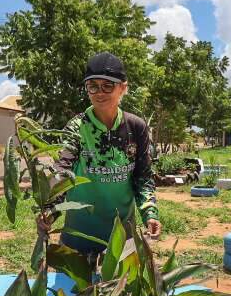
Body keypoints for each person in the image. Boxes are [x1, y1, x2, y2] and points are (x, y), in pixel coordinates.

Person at [38, 52, 162, 256]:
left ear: (123, 88)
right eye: (93, 86)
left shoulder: (135, 127)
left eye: (108, 85)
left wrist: (150, 213)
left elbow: (142, 178)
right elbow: (63, 172)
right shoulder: (77, 127)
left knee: (121, 288)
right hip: (78, 240)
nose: (99, 92)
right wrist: (50, 211)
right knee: (74, 288)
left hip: (122, 241)